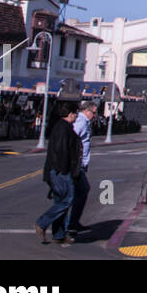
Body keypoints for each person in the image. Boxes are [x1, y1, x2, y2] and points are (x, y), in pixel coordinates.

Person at [35, 104, 82, 245]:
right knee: (67, 199)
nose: (77, 115)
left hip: (57, 170)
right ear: (70, 114)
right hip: (61, 171)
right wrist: (64, 170)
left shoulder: (62, 127)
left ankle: (59, 234)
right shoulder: (63, 128)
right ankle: (42, 223)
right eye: (76, 113)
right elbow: (61, 151)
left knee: (60, 201)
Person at [68, 100, 97, 236]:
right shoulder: (81, 122)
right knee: (81, 191)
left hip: (80, 164)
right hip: (76, 164)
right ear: (87, 111)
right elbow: (73, 139)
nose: (95, 115)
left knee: (78, 192)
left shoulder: (84, 122)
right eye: (94, 112)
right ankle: (70, 223)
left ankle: (72, 222)